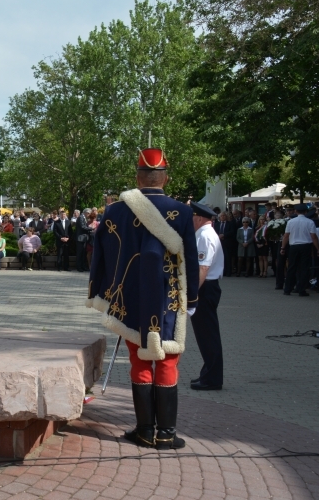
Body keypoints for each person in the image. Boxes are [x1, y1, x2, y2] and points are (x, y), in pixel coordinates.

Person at [87, 148, 199, 450]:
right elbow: (188, 257)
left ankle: (144, 430)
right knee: (167, 360)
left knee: (139, 360)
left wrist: (103, 292)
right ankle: (167, 433)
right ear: (166, 178)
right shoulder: (183, 212)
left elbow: (102, 255)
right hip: (169, 298)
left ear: (137, 177)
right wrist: (192, 300)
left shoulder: (115, 212)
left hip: (130, 298)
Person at [189, 202, 225, 391]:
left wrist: (192, 293)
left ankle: (212, 378)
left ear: (199, 218)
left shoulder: (204, 235)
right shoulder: (205, 234)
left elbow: (203, 267)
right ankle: (209, 374)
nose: (191, 221)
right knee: (206, 334)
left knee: (207, 335)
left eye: (193, 217)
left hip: (205, 288)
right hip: (207, 287)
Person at [281, 204, 319, 296]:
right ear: (306, 212)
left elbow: (286, 236)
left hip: (294, 246)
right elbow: (314, 237)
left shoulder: (291, 222)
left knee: (291, 267)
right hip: (305, 246)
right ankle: (301, 289)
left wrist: (283, 247)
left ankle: (287, 289)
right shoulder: (310, 222)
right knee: (304, 268)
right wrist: (318, 249)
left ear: (295, 211)